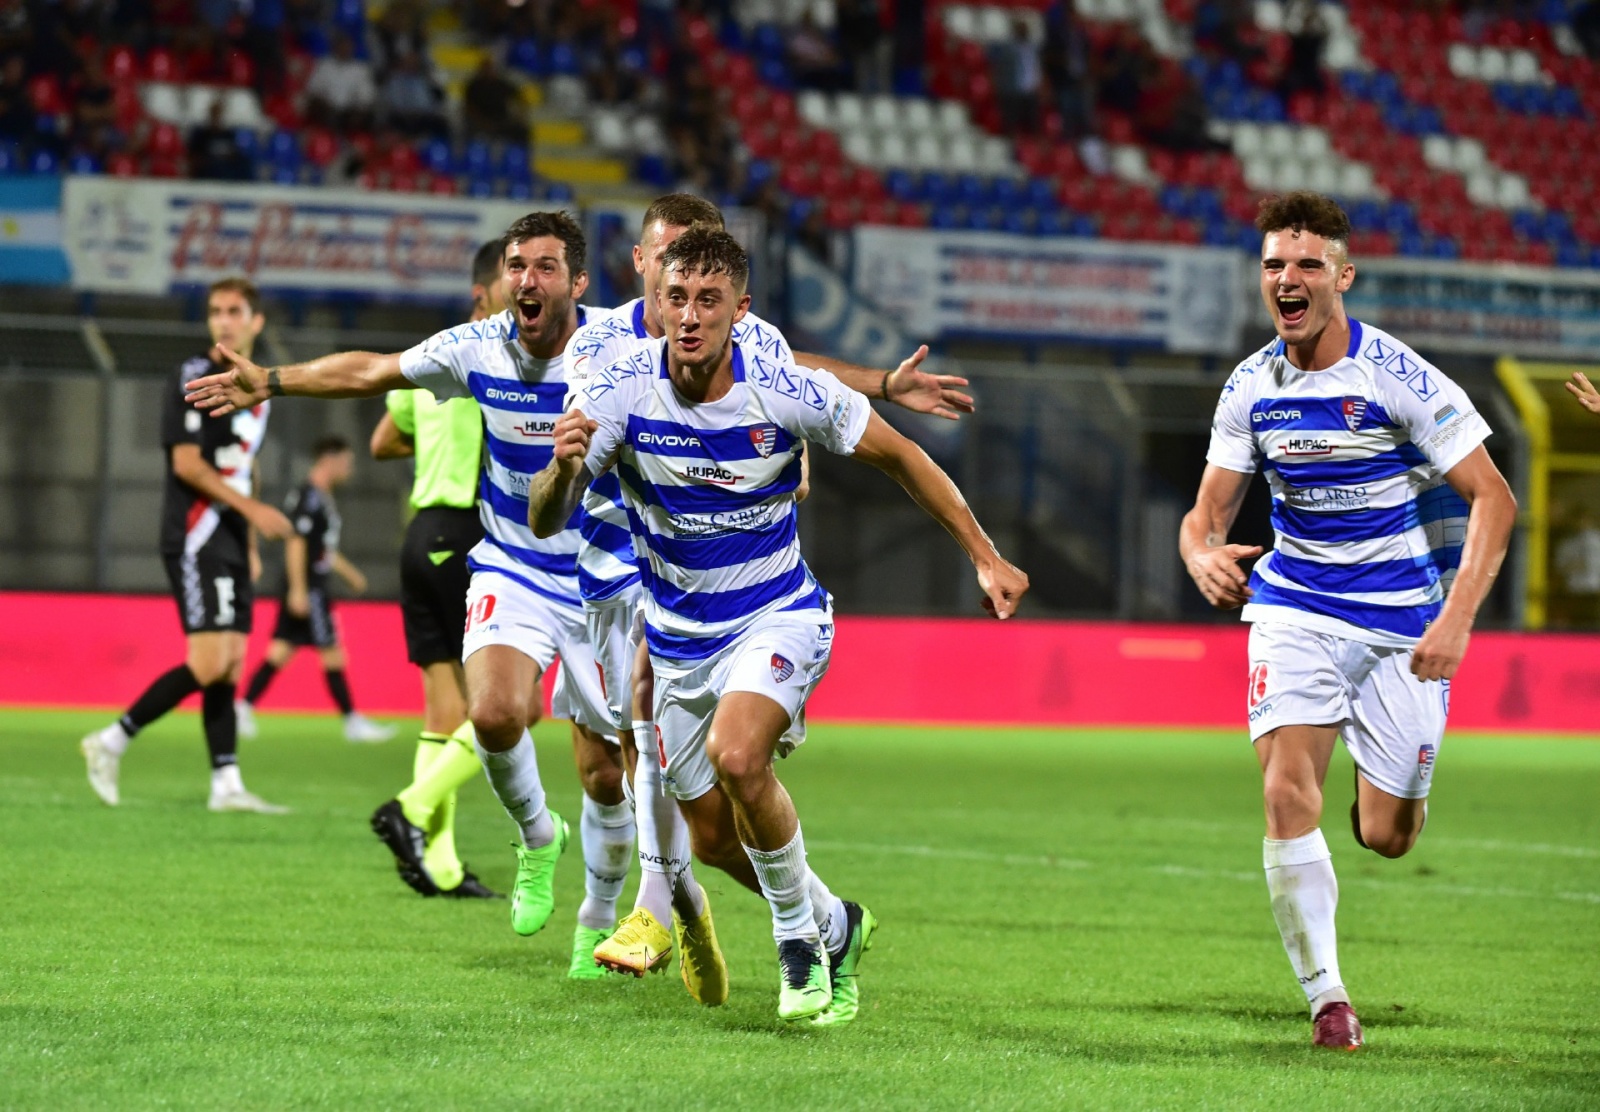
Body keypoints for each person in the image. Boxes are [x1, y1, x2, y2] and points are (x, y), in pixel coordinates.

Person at [529, 227, 1029, 1026]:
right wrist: (559, 467)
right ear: (654, 302)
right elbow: (546, 517)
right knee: (718, 839)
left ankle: (797, 943)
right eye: (676, 299)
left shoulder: (783, 384)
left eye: (709, 301)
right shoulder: (616, 390)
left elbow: (901, 455)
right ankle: (838, 924)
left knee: (739, 754)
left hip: (778, 617)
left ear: (741, 311)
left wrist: (984, 555)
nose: (689, 317)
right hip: (678, 644)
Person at [184, 212, 620, 953]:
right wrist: (277, 382)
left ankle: (598, 924)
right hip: (509, 559)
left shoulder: (621, 338)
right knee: (489, 713)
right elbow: (372, 369)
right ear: (499, 281)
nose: (528, 280)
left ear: (577, 281)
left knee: (607, 772)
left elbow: (751, 360)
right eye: (517, 266)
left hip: (606, 576)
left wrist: (827, 412)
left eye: (545, 267)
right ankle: (536, 837)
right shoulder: (475, 345)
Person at [1178, 191, 1516, 1050]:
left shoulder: (1398, 376)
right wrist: (1199, 555)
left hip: (1407, 624)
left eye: (1306, 266)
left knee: (1386, 834)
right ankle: (1329, 1000)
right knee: (1287, 790)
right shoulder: (1250, 386)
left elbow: (1495, 500)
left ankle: (1396, 776)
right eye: (1273, 267)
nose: (1287, 281)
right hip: (1294, 606)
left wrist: (1457, 622)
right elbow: (1204, 514)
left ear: (1342, 276)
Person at [80, 278, 293, 814]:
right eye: (216, 311)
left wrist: (247, 540)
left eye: (235, 311)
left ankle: (226, 784)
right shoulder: (193, 375)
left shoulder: (258, 387)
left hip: (229, 537)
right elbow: (187, 465)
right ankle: (111, 741)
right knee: (208, 661)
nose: (224, 320)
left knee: (231, 661)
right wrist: (254, 515)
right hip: (196, 534)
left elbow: (247, 467)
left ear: (256, 321)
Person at [365, 237, 501, 901]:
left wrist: (434, 441)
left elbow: (383, 439)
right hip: (467, 531)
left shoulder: (428, 355)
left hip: (419, 533)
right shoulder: (494, 358)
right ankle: (411, 808)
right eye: (513, 282)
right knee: (507, 706)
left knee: (442, 708)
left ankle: (436, 864)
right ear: (484, 297)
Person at [236, 436, 395, 743]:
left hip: (310, 584)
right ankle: (352, 721)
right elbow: (296, 542)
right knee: (332, 651)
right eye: (346, 462)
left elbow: (322, 548)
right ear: (329, 459)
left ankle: (242, 708)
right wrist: (298, 589)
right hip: (310, 587)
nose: (348, 469)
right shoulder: (309, 496)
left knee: (281, 650)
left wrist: (349, 574)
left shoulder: (321, 496)